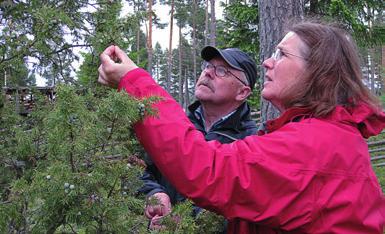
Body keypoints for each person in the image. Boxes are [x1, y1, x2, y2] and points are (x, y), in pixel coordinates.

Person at [98, 21, 385, 233]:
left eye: (283, 55)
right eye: (208, 66)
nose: (268, 62)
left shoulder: (312, 144)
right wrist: (155, 195)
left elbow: (205, 169)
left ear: (318, 72)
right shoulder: (317, 134)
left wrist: (134, 81)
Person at [138, 46, 258, 230]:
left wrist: (186, 223)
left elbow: (244, 212)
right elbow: (141, 169)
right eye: (208, 66)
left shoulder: (252, 143)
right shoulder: (177, 126)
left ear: (242, 92)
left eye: (221, 71)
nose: (208, 72)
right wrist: (154, 194)